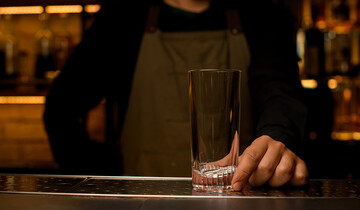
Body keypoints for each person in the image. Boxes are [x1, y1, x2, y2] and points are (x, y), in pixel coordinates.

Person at [43, 0, 308, 191]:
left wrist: (276, 137)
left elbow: (279, 90)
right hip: (139, 207)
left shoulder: (262, 11)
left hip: (240, 203)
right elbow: (60, 108)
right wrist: (105, 180)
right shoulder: (123, 14)